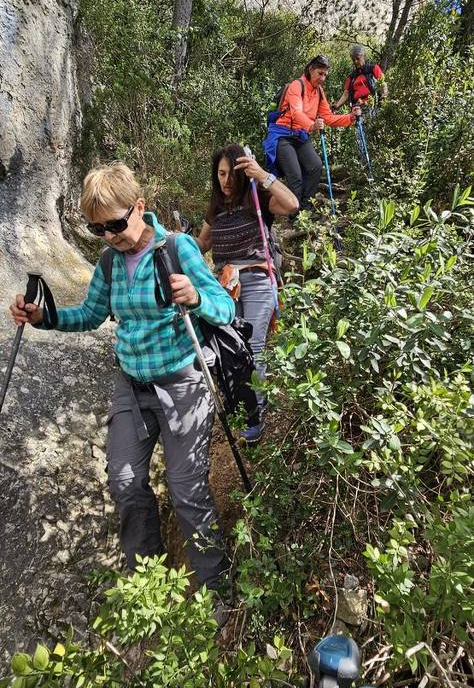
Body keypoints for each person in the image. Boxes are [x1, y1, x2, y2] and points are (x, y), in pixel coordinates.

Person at [9, 162, 236, 598]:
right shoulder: (110, 263)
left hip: (184, 385)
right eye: (98, 229)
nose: (110, 235)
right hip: (132, 387)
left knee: (186, 490)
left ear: (139, 207)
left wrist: (197, 297)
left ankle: (217, 589)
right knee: (126, 483)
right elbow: (90, 315)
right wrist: (44, 317)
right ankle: (148, 586)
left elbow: (224, 309)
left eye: (115, 223)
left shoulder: (179, 248)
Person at [197, 145, 298, 442]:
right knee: (230, 348)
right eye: (221, 174)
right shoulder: (216, 207)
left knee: (253, 345)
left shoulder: (257, 196)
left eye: (231, 174)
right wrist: (176, 243)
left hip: (256, 277)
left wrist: (263, 175)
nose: (226, 181)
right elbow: (202, 244)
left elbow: (291, 204)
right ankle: (243, 405)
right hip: (225, 284)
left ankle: (256, 410)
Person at [263, 55, 361, 218]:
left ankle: (305, 208)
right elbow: (296, 113)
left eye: (325, 75)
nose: (322, 78)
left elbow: (328, 117)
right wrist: (312, 125)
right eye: (320, 73)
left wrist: (350, 117)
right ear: (310, 70)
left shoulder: (319, 92)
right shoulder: (297, 85)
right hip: (282, 135)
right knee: (296, 176)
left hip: (300, 135)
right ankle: (295, 215)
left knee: (315, 166)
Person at [332, 44, 388, 110]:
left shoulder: (373, 69)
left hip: (372, 105)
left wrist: (384, 100)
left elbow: (382, 83)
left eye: (358, 58)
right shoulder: (351, 77)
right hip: (357, 107)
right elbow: (346, 94)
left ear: (363, 56)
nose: (355, 61)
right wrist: (336, 106)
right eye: (353, 60)